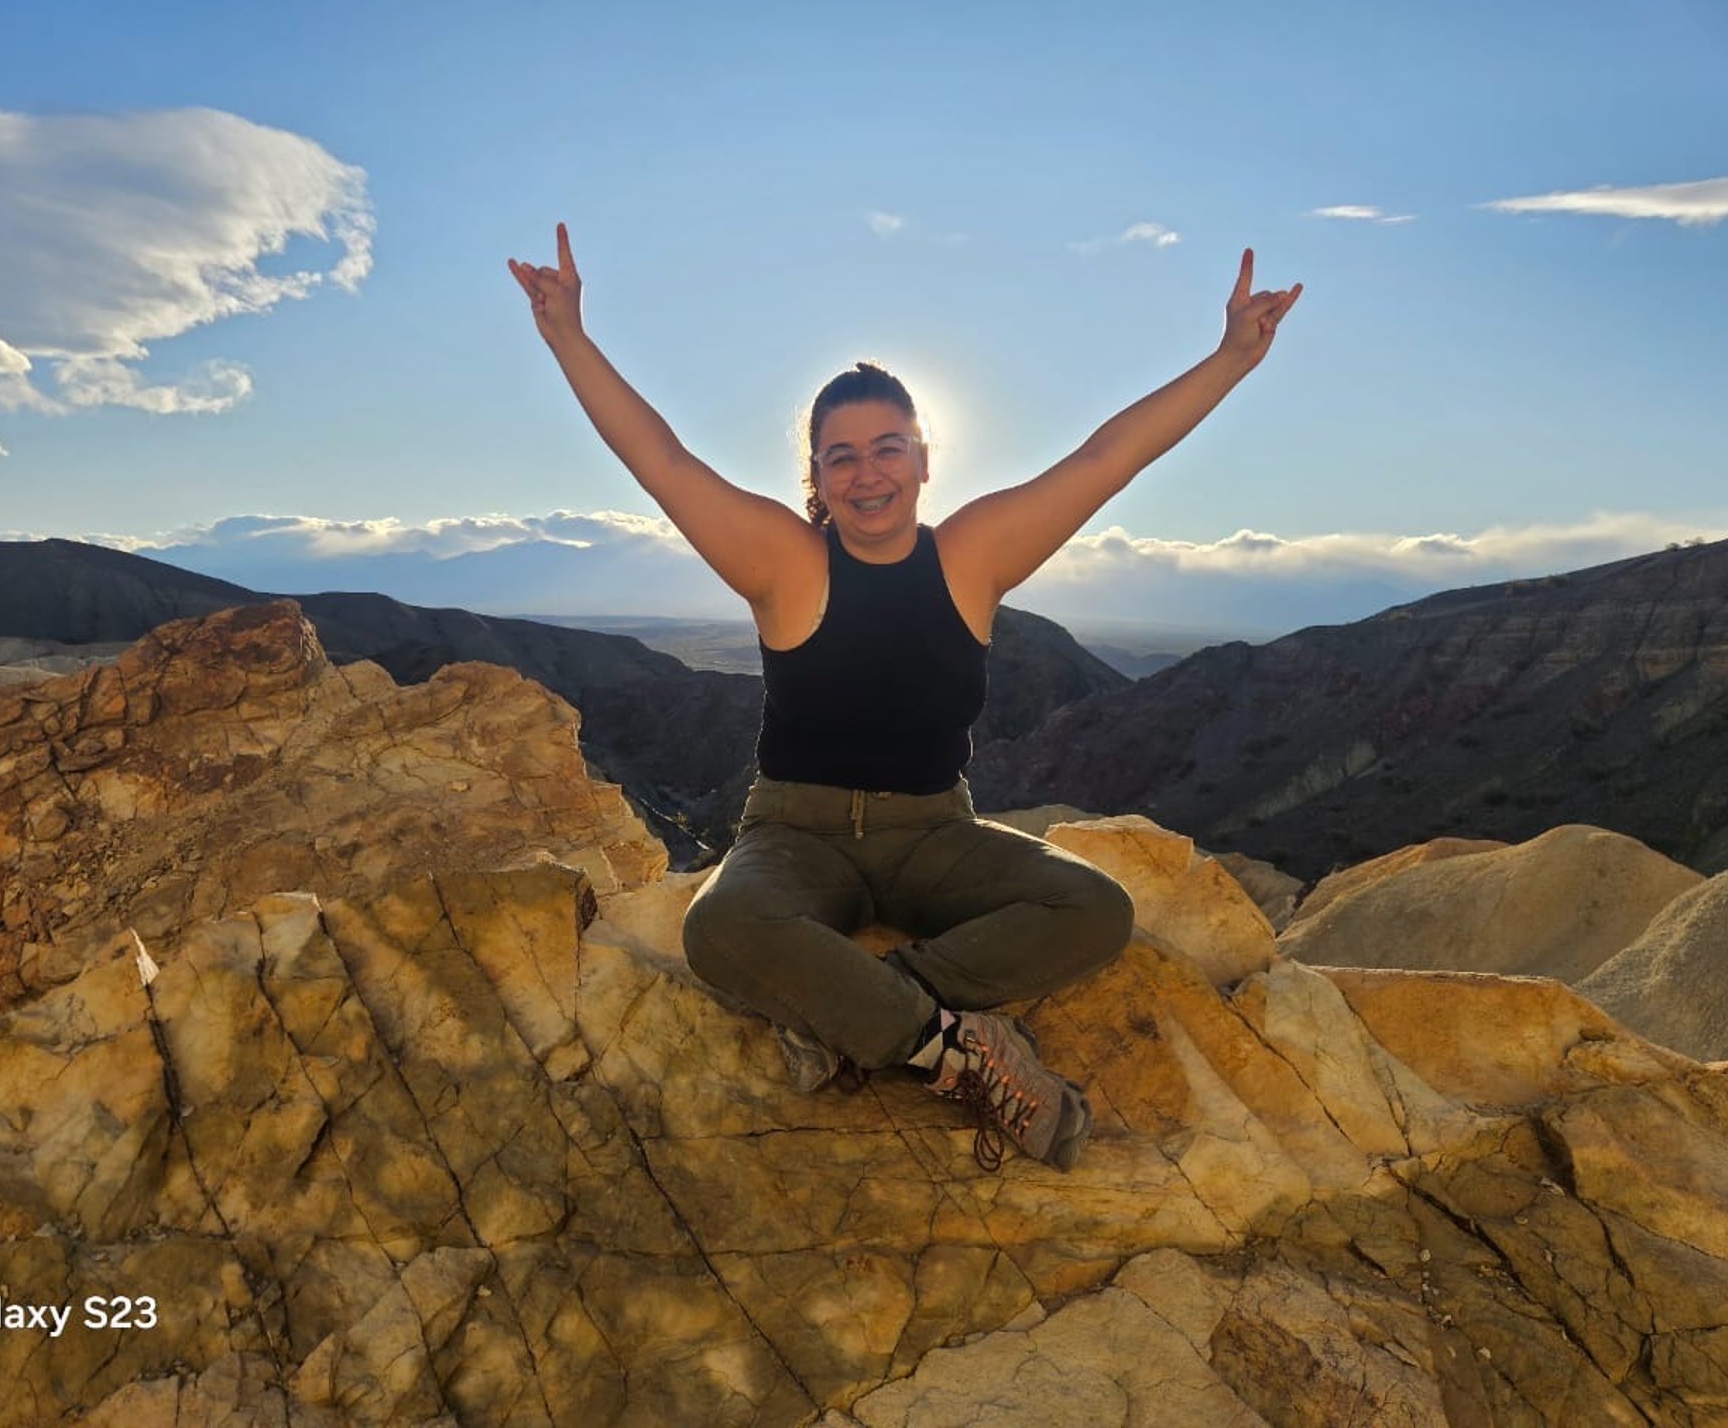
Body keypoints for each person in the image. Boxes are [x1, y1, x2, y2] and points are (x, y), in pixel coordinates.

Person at [509, 224, 1300, 1171]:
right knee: (720, 927)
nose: (866, 471)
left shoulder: (972, 556)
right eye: (840, 456)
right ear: (817, 478)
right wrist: (568, 337)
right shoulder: (783, 563)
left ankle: (863, 1007)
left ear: (925, 460)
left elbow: (1104, 460)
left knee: (1096, 910)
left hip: (934, 835)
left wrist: (1231, 361)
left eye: (888, 449)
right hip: (796, 837)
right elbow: (665, 463)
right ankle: (952, 1050)